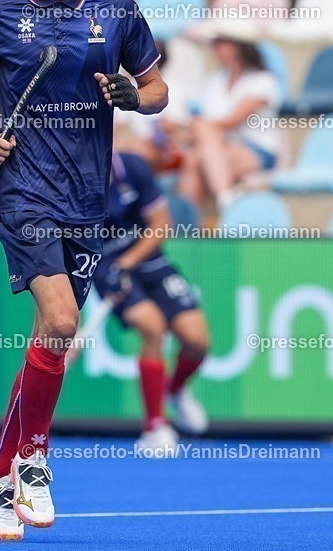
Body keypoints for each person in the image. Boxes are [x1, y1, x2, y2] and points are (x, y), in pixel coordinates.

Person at [0, 0, 168, 541]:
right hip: (22, 192)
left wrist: (136, 96)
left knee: (52, 340)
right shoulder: (1, 14)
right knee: (61, 320)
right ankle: (34, 457)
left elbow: (158, 90)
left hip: (87, 198)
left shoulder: (117, 11)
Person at [87, 151, 210, 453]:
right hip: (105, 265)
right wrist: (106, 271)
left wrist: (127, 262)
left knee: (197, 341)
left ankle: (175, 391)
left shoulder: (132, 167)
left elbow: (161, 225)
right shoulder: (73, 175)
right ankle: (155, 426)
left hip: (146, 257)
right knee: (152, 327)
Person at [178, 20, 281, 216]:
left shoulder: (263, 80)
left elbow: (233, 120)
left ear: (239, 46)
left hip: (257, 150)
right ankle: (214, 206)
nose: (215, 48)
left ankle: (217, 209)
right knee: (193, 158)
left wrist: (196, 127)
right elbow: (210, 124)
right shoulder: (214, 80)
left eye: (221, 42)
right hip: (219, 148)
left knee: (197, 154)